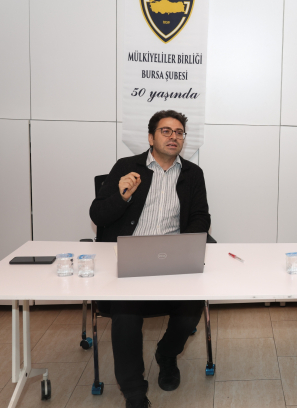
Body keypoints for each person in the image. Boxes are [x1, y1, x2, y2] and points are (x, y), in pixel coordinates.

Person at [90, 110, 210, 408]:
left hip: (172, 259)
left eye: (179, 132)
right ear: (150, 137)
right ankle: (134, 393)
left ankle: (166, 355)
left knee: (191, 307)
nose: (173, 137)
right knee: (125, 315)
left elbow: (201, 218)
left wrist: (183, 248)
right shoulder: (126, 167)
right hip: (129, 261)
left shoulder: (193, 174)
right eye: (166, 131)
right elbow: (98, 215)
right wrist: (122, 196)